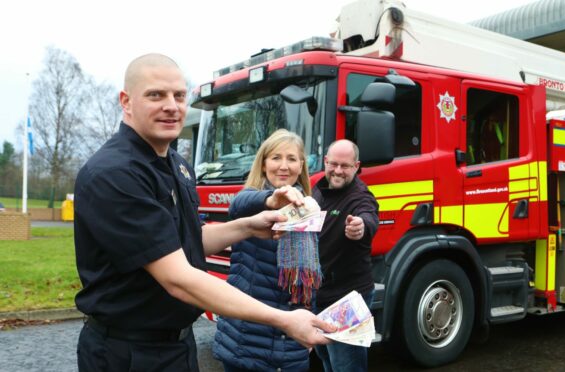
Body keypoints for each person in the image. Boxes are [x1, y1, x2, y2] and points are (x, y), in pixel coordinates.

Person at [73, 54, 333, 372]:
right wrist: (283, 319)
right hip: (127, 353)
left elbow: (188, 240)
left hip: (177, 346)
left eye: (179, 95)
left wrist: (249, 226)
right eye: (156, 95)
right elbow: (178, 279)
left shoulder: (179, 166)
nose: (171, 105)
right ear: (126, 102)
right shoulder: (115, 173)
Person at [213, 129, 322, 371]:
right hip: (246, 341)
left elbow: (309, 281)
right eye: (276, 158)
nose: (284, 166)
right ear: (263, 165)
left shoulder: (309, 207)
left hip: (291, 345)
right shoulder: (252, 200)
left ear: (301, 165)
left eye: (292, 159)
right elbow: (238, 205)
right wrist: (272, 199)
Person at [312, 139, 379, 372]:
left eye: (345, 166)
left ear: (357, 166)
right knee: (327, 362)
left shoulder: (360, 196)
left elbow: (368, 217)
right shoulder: (318, 189)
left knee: (346, 367)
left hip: (347, 299)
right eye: (333, 164)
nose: (338, 171)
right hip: (320, 294)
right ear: (325, 162)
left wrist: (361, 226)